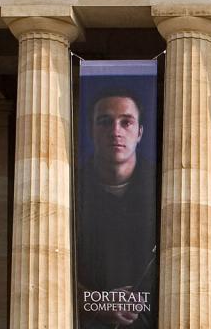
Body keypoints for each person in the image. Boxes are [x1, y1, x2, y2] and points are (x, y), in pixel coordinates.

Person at [77, 89, 157, 328]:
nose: (115, 132)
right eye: (104, 122)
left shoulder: (165, 188)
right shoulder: (65, 189)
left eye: (126, 122)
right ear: (91, 131)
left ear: (140, 132)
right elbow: (45, 266)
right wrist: (96, 303)